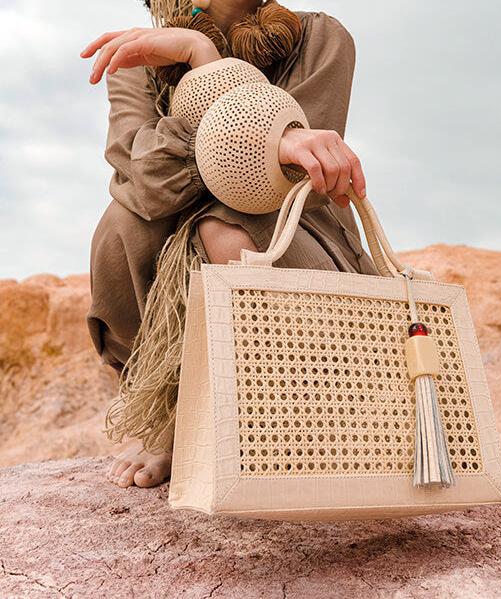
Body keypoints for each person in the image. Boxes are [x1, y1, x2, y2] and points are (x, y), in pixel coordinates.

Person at [81, 0, 377, 489]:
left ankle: (285, 426)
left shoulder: (320, 39)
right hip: (175, 228)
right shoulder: (138, 56)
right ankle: (170, 417)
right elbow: (146, 180)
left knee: (228, 223)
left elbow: (285, 182)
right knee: (124, 222)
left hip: (293, 245)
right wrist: (204, 63)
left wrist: (205, 64)